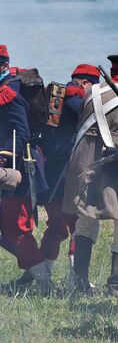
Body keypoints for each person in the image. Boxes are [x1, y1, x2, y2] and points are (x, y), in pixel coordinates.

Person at [63, 55, 118, 296]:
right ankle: (117, 283)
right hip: (111, 164)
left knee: (86, 220)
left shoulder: (91, 92)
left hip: (82, 161)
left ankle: (80, 280)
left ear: (112, 70)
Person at [32, 64, 101, 290]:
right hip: (66, 174)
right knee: (76, 224)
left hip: (53, 171)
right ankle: (75, 280)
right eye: (93, 86)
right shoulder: (74, 96)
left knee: (57, 227)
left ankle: (42, 274)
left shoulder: (57, 95)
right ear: (84, 83)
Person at [0, 44, 53, 295]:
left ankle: (44, 283)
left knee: (16, 228)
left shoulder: (8, 93)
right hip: (13, 165)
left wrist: (3, 162)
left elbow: (19, 134)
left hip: (16, 167)